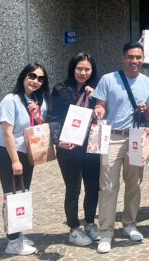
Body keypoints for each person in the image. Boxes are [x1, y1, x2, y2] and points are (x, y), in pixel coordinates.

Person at [92, 42, 149, 254]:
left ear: (143, 58)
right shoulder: (108, 79)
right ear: (123, 58)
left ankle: (129, 224)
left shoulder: (148, 82)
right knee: (108, 186)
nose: (134, 61)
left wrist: (146, 109)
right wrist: (99, 110)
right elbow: (100, 104)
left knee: (134, 184)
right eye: (130, 57)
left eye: (138, 57)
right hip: (112, 136)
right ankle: (105, 232)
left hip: (138, 136)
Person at [0, 63, 50, 255]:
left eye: (40, 79)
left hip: (27, 154)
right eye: (32, 76)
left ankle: (17, 235)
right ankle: (12, 243)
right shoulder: (11, 100)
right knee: (11, 197)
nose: (36, 81)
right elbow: (7, 133)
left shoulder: (37, 100)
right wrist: (15, 161)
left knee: (22, 195)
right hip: (9, 154)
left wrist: (37, 113)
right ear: (23, 77)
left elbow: (37, 129)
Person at [48, 53, 100, 246]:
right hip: (68, 146)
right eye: (79, 68)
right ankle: (74, 228)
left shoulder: (97, 91)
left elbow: (104, 113)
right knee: (73, 188)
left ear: (92, 70)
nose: (83, 72)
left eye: (87, 69)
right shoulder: (61, 89)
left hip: (91, 145)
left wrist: (95, 99)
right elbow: (52, 116)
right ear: (73, 68)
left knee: (93, 187)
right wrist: (57, 140)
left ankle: (90, 223)